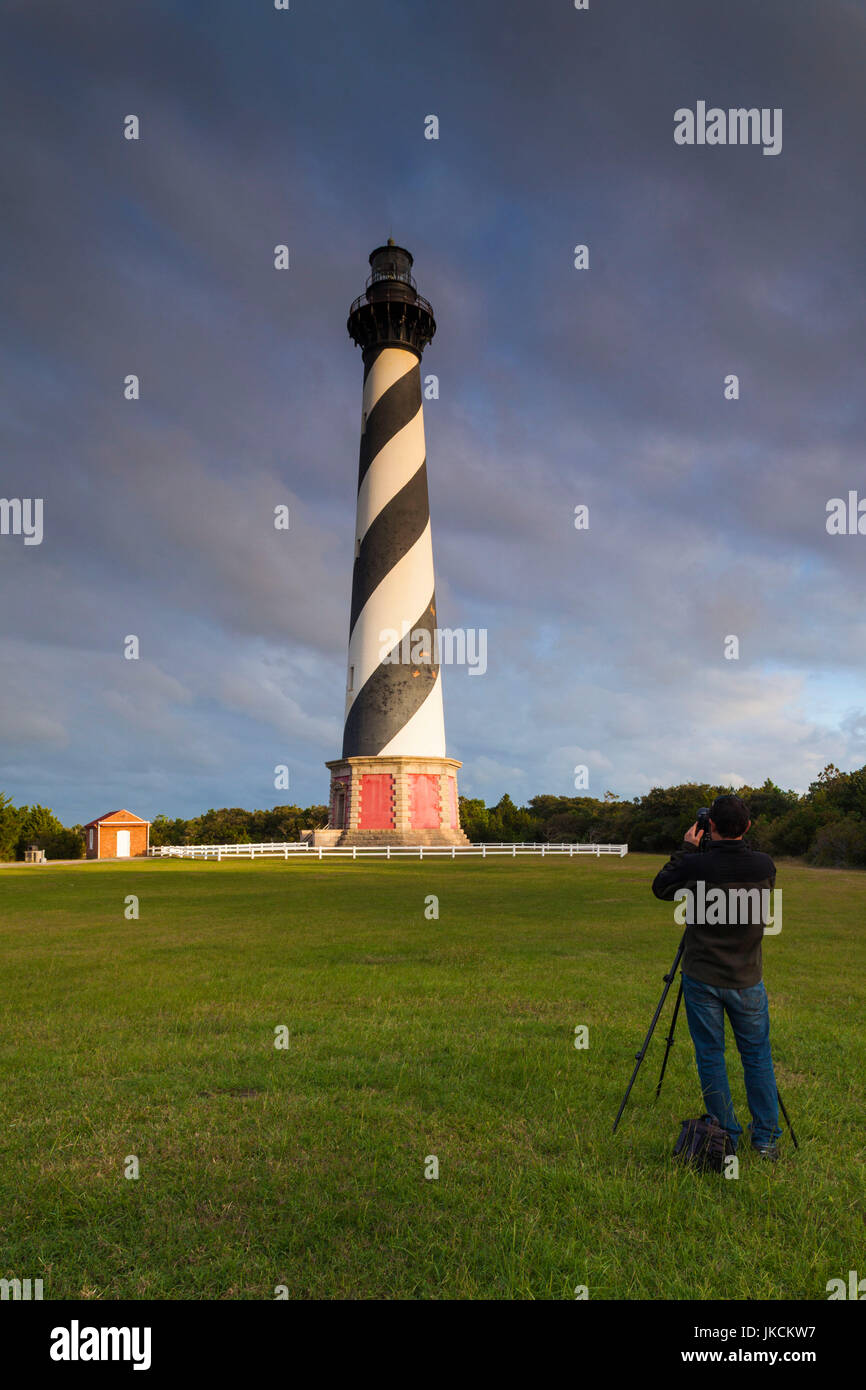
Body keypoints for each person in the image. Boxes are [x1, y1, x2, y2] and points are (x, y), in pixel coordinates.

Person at [651, 794, 782, 1160]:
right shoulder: (764, 865)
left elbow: (662, 888)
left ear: (708, 826)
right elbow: (742, 867)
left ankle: (726, 1135)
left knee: (711, 1055)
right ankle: (767, 1139)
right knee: (757, 1056)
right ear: (748, 827)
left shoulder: (698, 865)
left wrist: (688, 851)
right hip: (748, 977)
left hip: (703, 974)